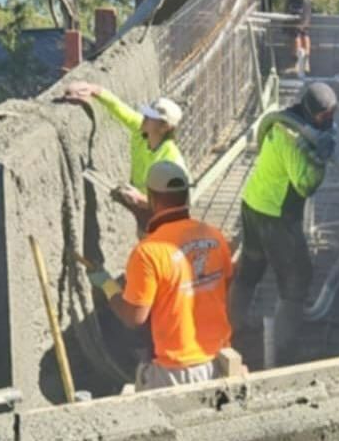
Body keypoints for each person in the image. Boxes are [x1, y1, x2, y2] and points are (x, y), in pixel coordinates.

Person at [81, 160, 233, 391]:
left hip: (174, 371)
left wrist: (107, 285)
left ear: (151, 198)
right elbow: (225, 286)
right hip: (219, 360)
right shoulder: (215, 236)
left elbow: (134, 318)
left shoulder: (147, 253)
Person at [228, 81, 336, 366]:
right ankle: (284, 347)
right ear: (314, 112)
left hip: (252, 203)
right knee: (298, 278)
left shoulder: (283, 121)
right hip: (276, 216)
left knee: (249, 270)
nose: (330, 120)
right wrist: (319, 160)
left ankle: (232, 326)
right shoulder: (292, 137)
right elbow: (305, 185)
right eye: (326, 116)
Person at [64, 82, 186, 225]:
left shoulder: (171, 161)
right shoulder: (142, 130)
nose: (144, 116)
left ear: (164, 127)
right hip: (145, 206)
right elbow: (118, 107)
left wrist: (140, 198)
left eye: (150, 116)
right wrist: (94, 90)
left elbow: (174, 205)